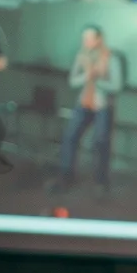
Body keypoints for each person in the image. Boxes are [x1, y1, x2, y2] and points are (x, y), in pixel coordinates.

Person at [47, 26, 124, 200]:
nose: (85, 42)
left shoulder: (112, 58)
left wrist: (97, 79)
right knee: (69, 137)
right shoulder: (81, 56)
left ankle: (101, 183)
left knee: (101, 143)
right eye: (84, 38)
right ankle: (66, 178)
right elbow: (73, 81)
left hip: (103, 106)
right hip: (84, 103)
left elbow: (117, 86)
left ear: (99, 39)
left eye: (89, 38)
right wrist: (87, 76)